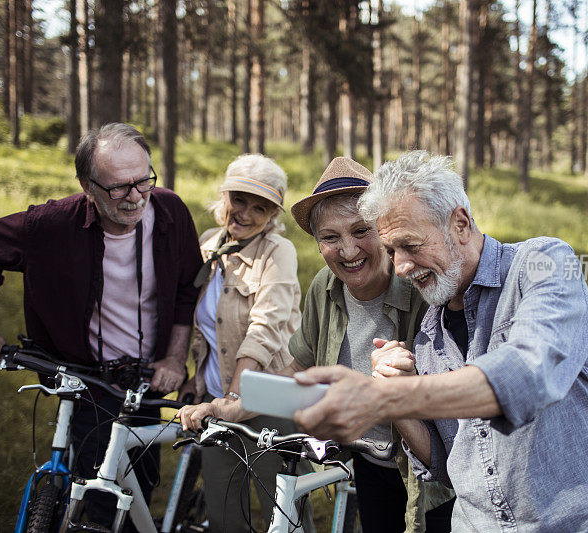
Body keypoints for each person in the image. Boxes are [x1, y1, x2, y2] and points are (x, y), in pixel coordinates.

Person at [290, 151, 588, 531]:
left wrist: (385, 399)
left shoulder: (542, 263)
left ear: (460, 223)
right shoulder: (429, 336)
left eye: (410, 245)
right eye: (392, 251)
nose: (402, 267)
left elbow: (529, 374)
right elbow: (447, 465)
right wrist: (396, 398)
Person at [180, 157, 454, 533]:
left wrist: (400, 387)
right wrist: (231, 409)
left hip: (435, 477)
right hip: (371, 462)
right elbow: (298, 370)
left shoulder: (421, 286)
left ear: (384, 229)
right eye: (330, 237)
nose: (347, 250)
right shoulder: (325, 289)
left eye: (361, 231)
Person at [0, 123, 202, 529]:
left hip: (145, 379)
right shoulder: (51, 225)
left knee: (135, 491)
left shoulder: (170, 211)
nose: (135, 197)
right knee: (99, 499)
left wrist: (174, 358)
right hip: (85, 376)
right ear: (88, 186)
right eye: (118, 188)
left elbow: (185, 289)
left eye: (144, 181)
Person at [176, 154, 313, 532]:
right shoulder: (209, 246)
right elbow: (206, 325)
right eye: (239, 200)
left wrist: (234, 400)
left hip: (268, 398)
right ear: (225, 197)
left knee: (284, 515)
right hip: (217, 398)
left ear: (272, 214)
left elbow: (264, 328)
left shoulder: (277, 252)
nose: (246, 213)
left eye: (260, 207)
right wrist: (196, 380)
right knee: (223, 512)